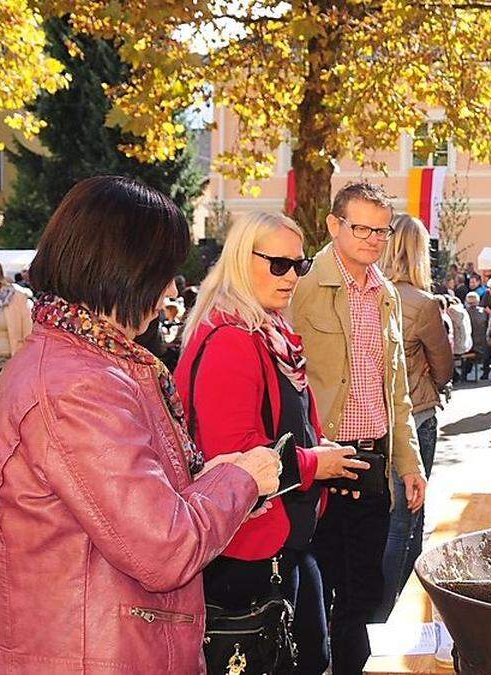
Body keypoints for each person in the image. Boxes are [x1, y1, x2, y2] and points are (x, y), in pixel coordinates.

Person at [0, 176, 282, 672]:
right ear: (122, 270)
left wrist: (209, 479)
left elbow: (135, 504)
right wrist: (243, 478)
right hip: (93, 654)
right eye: (163, 273)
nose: (167, 293)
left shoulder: (88, 361)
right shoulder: (78, 383)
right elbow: (164, 546)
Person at [176, 212, 371, 674]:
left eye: (299, 266)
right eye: (278, 264)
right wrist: (315, 464)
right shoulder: (233, 340)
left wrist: (323, 450)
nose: (290, 278)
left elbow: (285, 425)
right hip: (246, 553)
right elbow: (237, 463)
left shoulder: (269, 332)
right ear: (243, 260)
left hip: (281, 546)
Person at [291, 182, 426, 675]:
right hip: (319, 463)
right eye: (361, 228)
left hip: (372, 461)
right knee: (313, 596)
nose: (372, 239)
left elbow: (399, 392)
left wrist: (408, 464)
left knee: (365, 594)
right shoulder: (303, 287)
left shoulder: (385, 293)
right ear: (334, 225)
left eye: (381, 230)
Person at [375, 213, 454, 619]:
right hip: (416, 415)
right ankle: (398, 608)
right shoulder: (422, 304)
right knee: (407, 520)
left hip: (370, 420)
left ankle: (376, 606)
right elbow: (444, 367)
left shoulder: (367, 293)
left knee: (382, 518)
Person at [463, 291, 491, 380]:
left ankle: (464, 374)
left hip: (470, 344)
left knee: (468, 357)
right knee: (487, 353)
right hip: (483, 343)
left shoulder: (464, 313)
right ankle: (485, 373)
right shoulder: (484, 312)